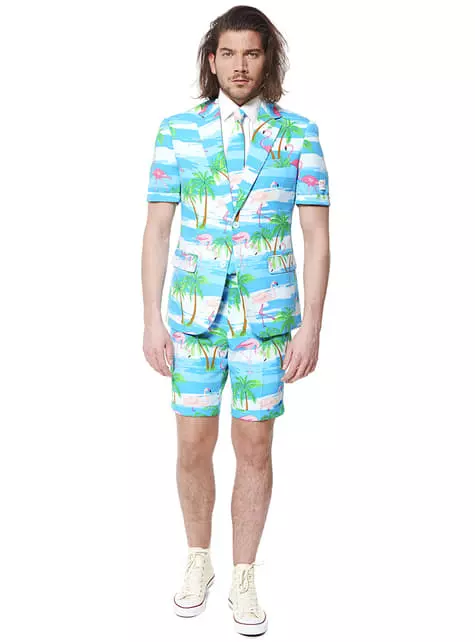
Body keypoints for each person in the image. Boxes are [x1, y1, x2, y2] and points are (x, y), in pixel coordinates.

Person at [141, 5, 330, 636]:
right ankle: (198, 557)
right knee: (192, 443)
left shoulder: (299, 134)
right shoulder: (177, 132)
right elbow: (157, 230)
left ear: (267, 59)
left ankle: (244, 572)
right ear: (212, 59)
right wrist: (151, 320)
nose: (240, 65)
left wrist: (312, 327)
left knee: (255, 447)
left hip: (266, 322)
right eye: (228, 53)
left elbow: (317, 237)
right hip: (193, 320)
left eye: (251, 53)